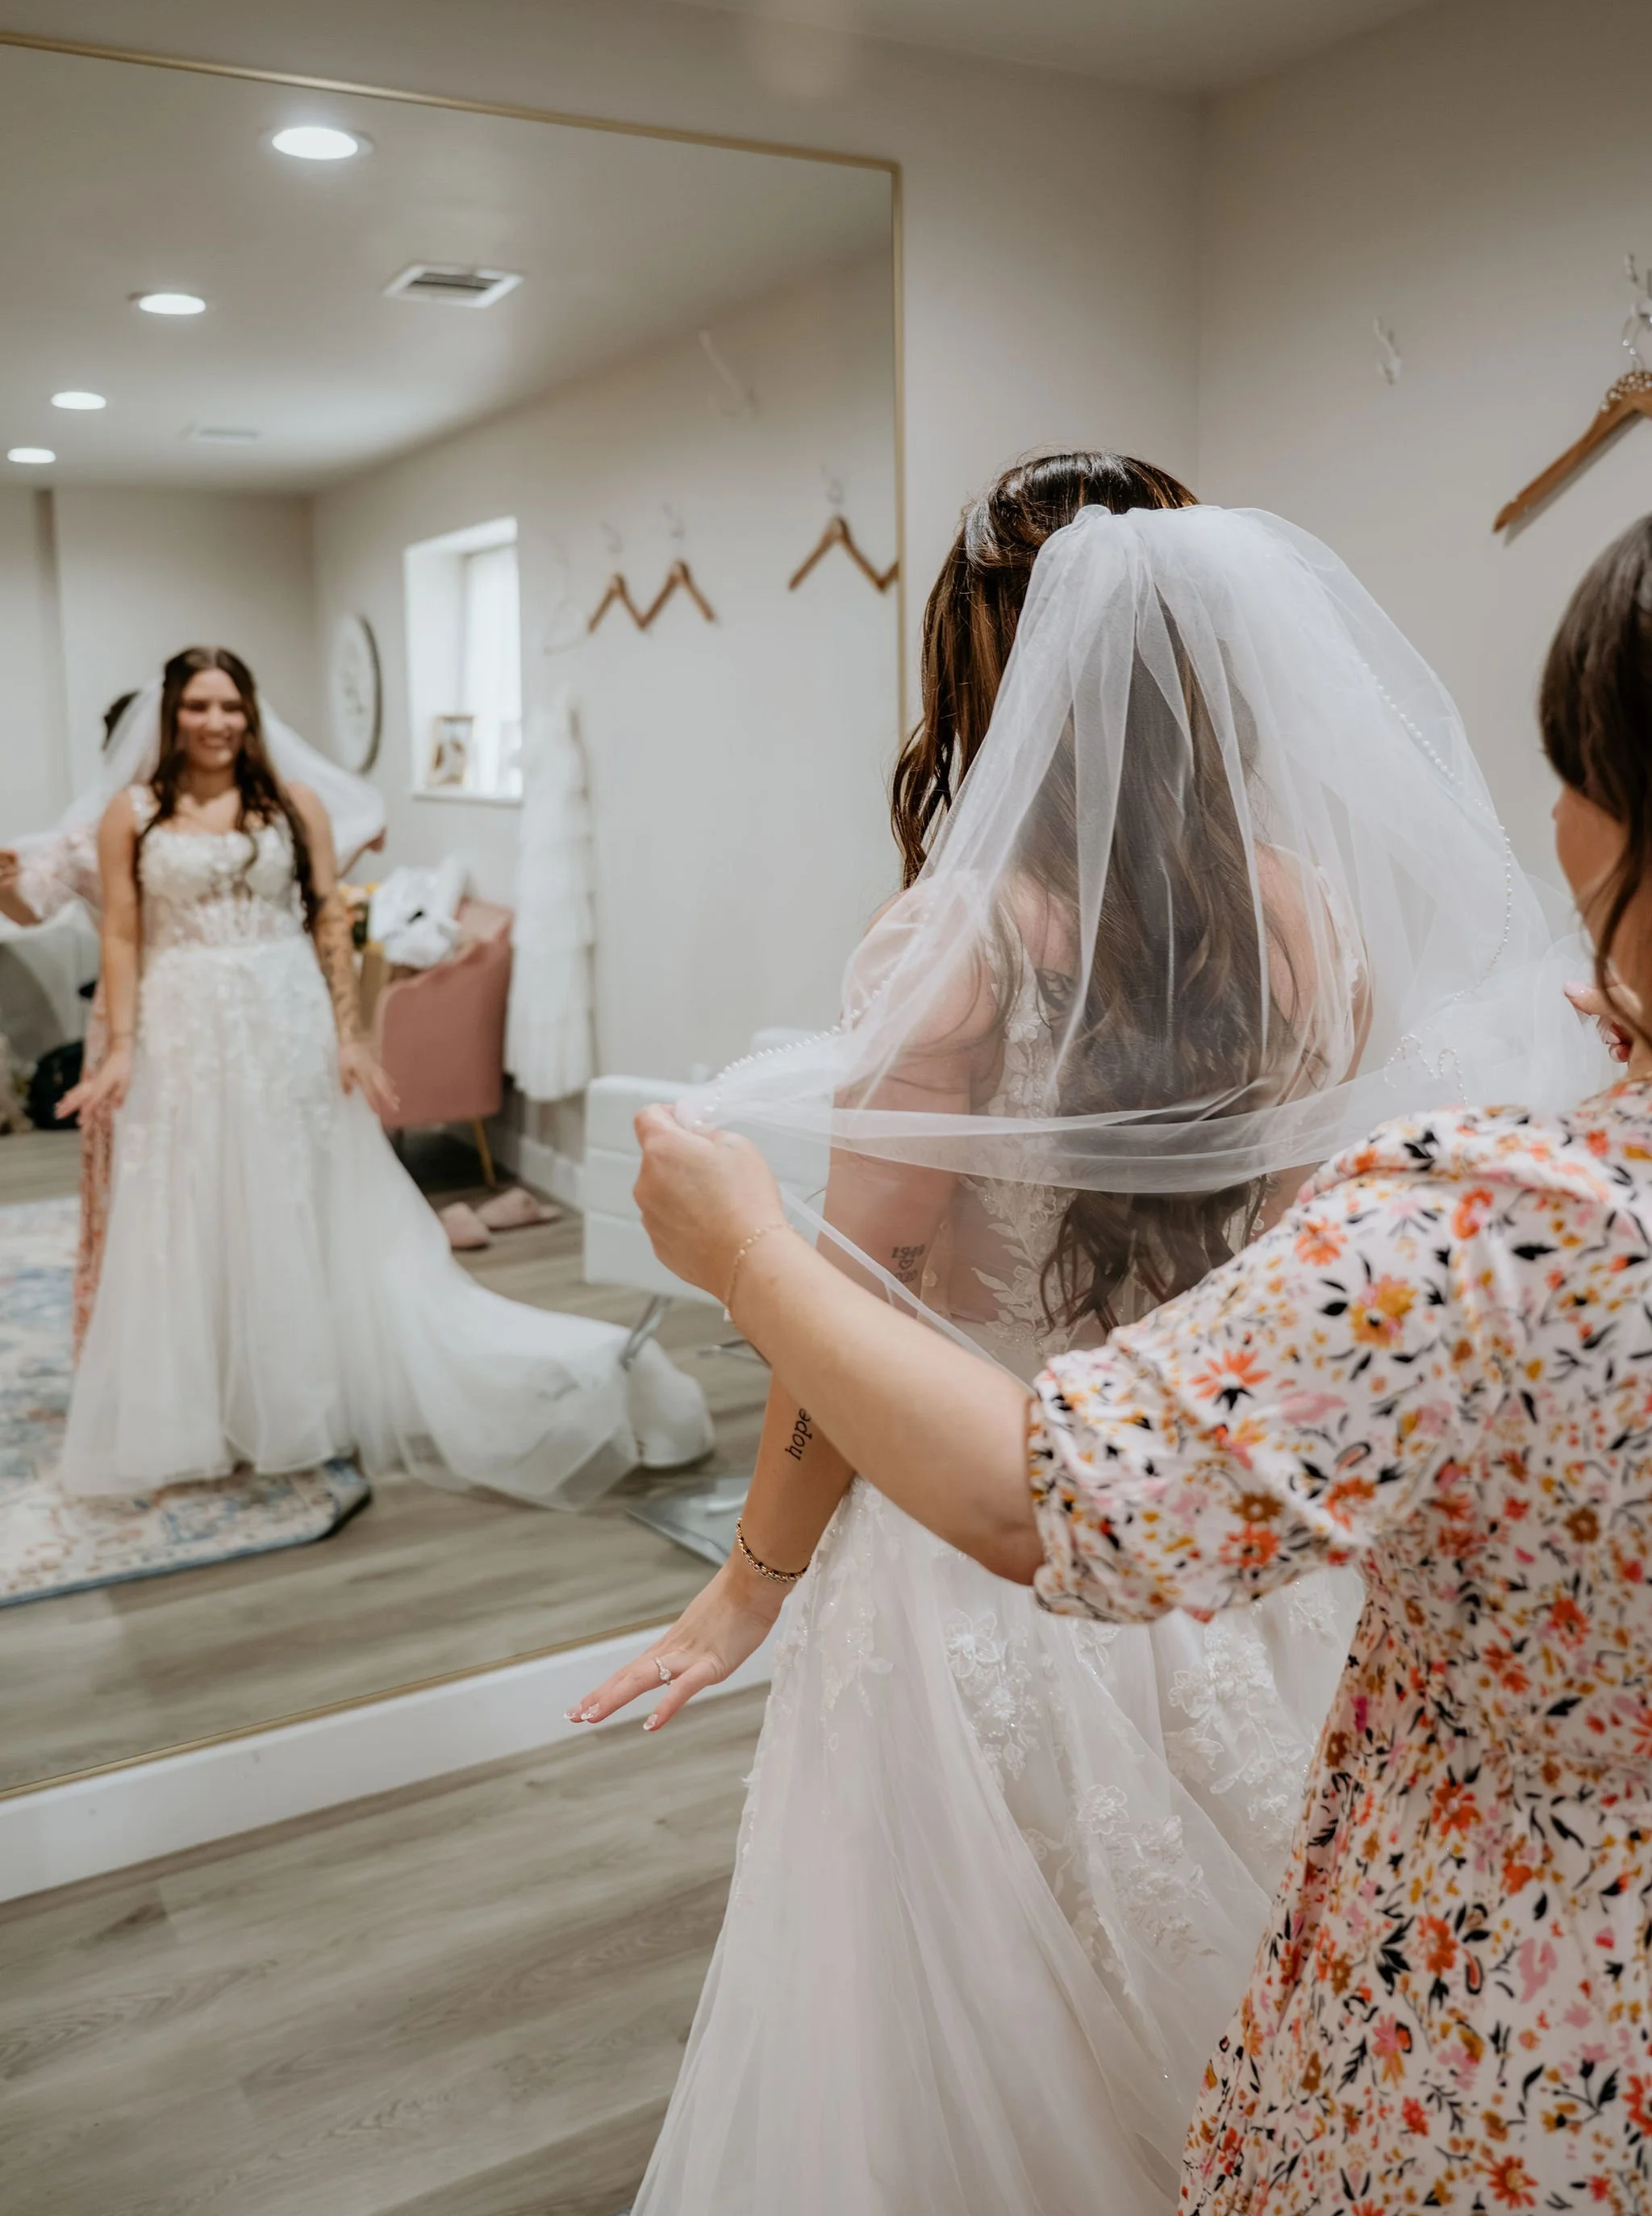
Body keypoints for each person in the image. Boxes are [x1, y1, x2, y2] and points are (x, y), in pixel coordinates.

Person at [575, 463, 1596, 2214]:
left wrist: (751, 1576)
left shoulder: (953, 941)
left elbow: (853, 1308)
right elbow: (1295, 1266)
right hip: (1226, 1545)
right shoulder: (1306, 915)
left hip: (990, 1546)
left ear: (983, 678)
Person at [58, 645, 711, 1503]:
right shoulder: (132, 813)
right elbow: (121, 934)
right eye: (197, 706)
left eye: (230, 706)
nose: (215, 723)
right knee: (193, 1201)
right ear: (170, 714)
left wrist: (351, 1034)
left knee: (297, 1199)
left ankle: (299, 1391)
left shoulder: (294, 806)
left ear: (251, 713)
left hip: (282, 1009)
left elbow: (330, 917)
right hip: (183, 1023)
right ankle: (204, 1403)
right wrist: (119, 1048)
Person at [2, 688, 141, 1350]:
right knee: (133, 1162)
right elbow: (35, 904)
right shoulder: (90, 828)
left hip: (217, 1000)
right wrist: (7, 888)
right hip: (126, 1009)